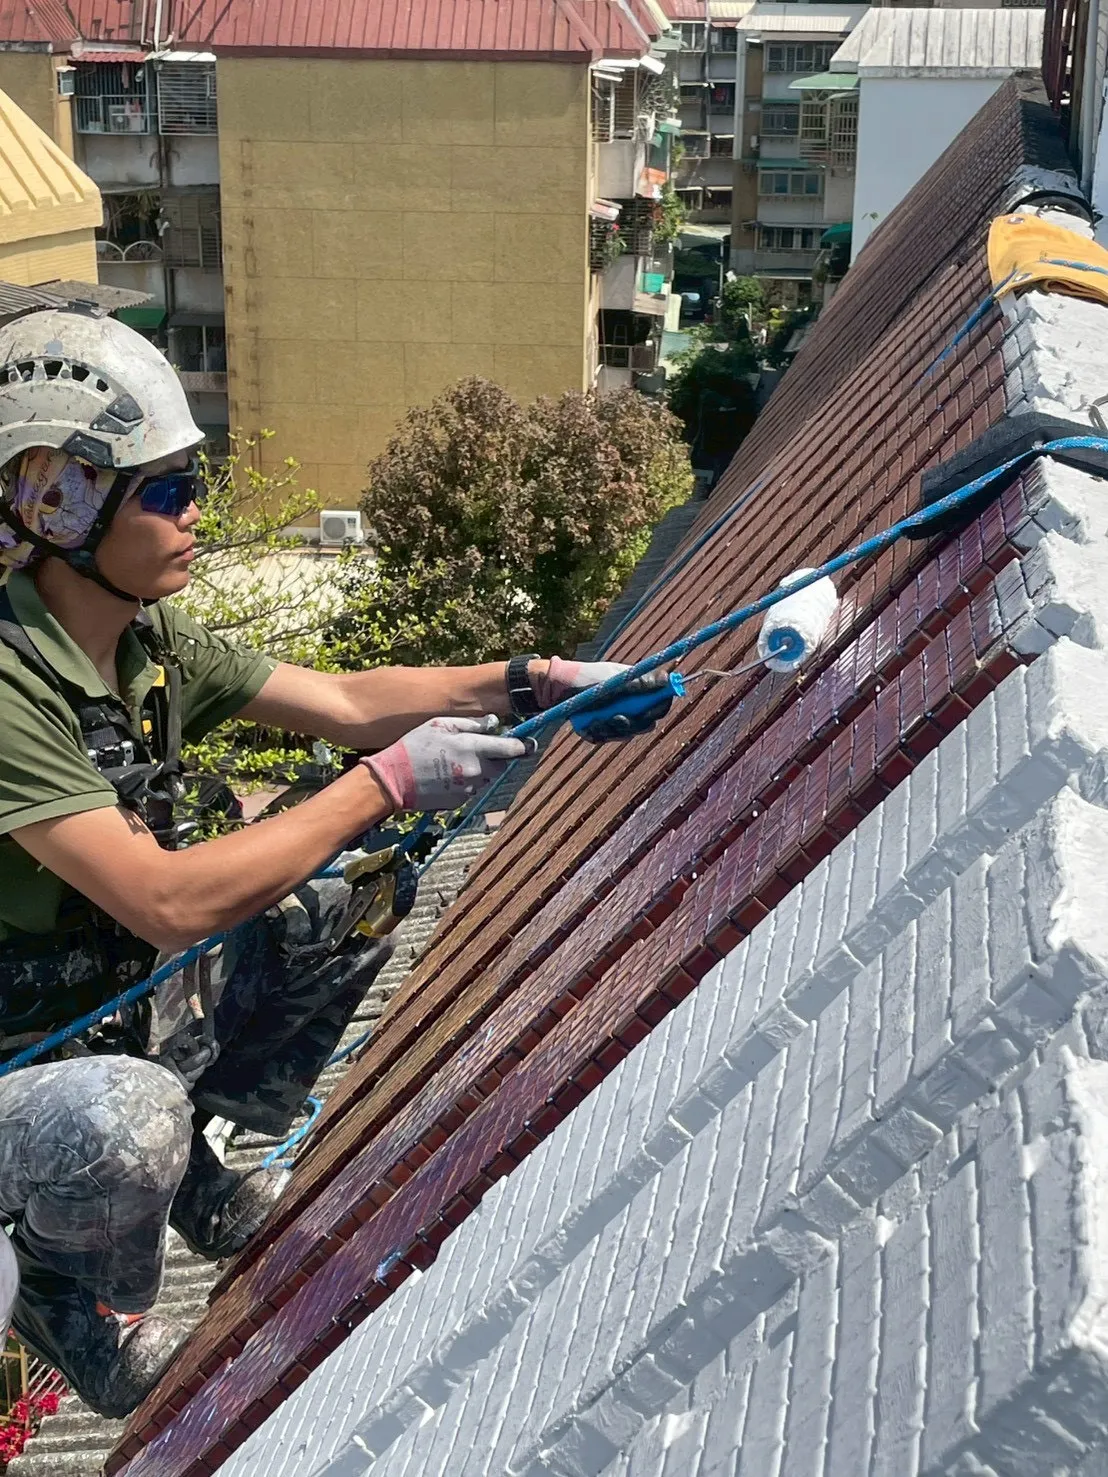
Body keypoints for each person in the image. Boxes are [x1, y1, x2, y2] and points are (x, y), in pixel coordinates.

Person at [0, 304, 673, 1418]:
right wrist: (387, 783)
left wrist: (534, 679)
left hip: (99, 1010)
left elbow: (348, 702)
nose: (196, 511)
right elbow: (164, 902)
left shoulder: (142, 640)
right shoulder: (11, 684)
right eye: (167, 491)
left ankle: (187, 1167)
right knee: (123, 1123)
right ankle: (62, 1297)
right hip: (25, 1069)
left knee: (336, 896)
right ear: (59, 500)